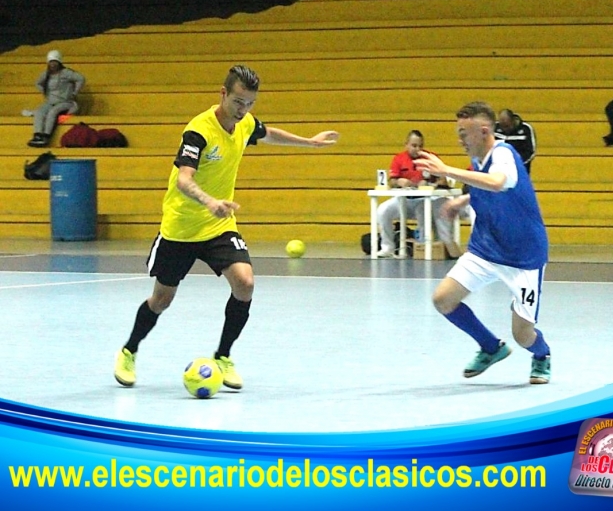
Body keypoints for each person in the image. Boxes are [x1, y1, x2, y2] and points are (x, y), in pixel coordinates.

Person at [113, 64, 339, 390]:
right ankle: (129, 350)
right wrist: (209, 201)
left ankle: (223, 356)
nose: (243, 110)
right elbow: (183, 179)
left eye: (249, 104)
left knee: (245, 283)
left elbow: (267, 133)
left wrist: (311, 143)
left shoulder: (244, 122)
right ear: (223, 94)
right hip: (182, 228)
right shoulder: (199, 131)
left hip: (219, 226)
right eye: (237, 102)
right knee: (161, 300)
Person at [414, 101, 551, 384]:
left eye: (464, 133)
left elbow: (498, 182)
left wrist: (446, 170)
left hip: (523, 257)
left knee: (523, 335)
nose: (460, 139)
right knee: (443, 300)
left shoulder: (504, 155)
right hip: (486, 249)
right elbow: (487, 186)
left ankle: (542, 355)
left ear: (484, 130)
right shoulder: (478, 160)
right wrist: (463, 199)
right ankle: (491, 347)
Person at [376, 130, 460, 259]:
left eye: (420, 146)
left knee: (423, 210)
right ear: (406, 145)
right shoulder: (399, 158)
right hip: (404, 200)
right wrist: (399, 181)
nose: (418, 149)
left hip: (426, 200)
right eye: (414, 146)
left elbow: (444, 179)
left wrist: (430, 183)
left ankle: (424, 247)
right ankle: (387, 247)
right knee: (383, 210)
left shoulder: (430, 158)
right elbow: (391, 181)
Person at [27, 50, 85, 148]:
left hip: (65, 102)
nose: (53, 64)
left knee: (53, 112)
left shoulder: (66, 73)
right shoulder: (46, 74)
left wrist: (75, 92)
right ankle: (38, 135)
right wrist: (44, 92)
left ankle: (46, 136)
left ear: (59, 62)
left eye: (55, 62)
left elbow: (80, 79)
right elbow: (38, 83)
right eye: (51, 62)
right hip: (50, 101)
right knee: (39, 112)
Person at [494, 109, 536, 174]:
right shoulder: (495, 128)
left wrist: (516, 162)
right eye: (502, 126)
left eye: (507, 126)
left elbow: (531, 152)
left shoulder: (526, 129)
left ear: (513, 120)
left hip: (520, 169)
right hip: (499, 170)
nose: (505, 129)